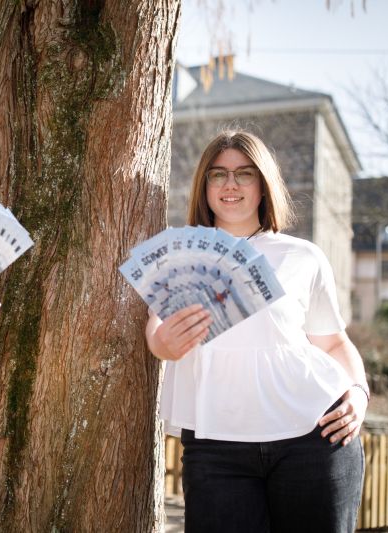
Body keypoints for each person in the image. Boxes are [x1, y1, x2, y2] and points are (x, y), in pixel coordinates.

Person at [146, 130, 369, 532]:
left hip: (314, 437)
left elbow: (334, 341)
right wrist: (163, 343)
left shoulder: (304, 257)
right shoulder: (177, 255)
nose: (230, 184)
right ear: (205, 185)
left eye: (244, 174)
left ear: (263, 186)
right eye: (218, 175)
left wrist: (358, 392)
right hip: (217, 448)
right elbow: (157, 333)